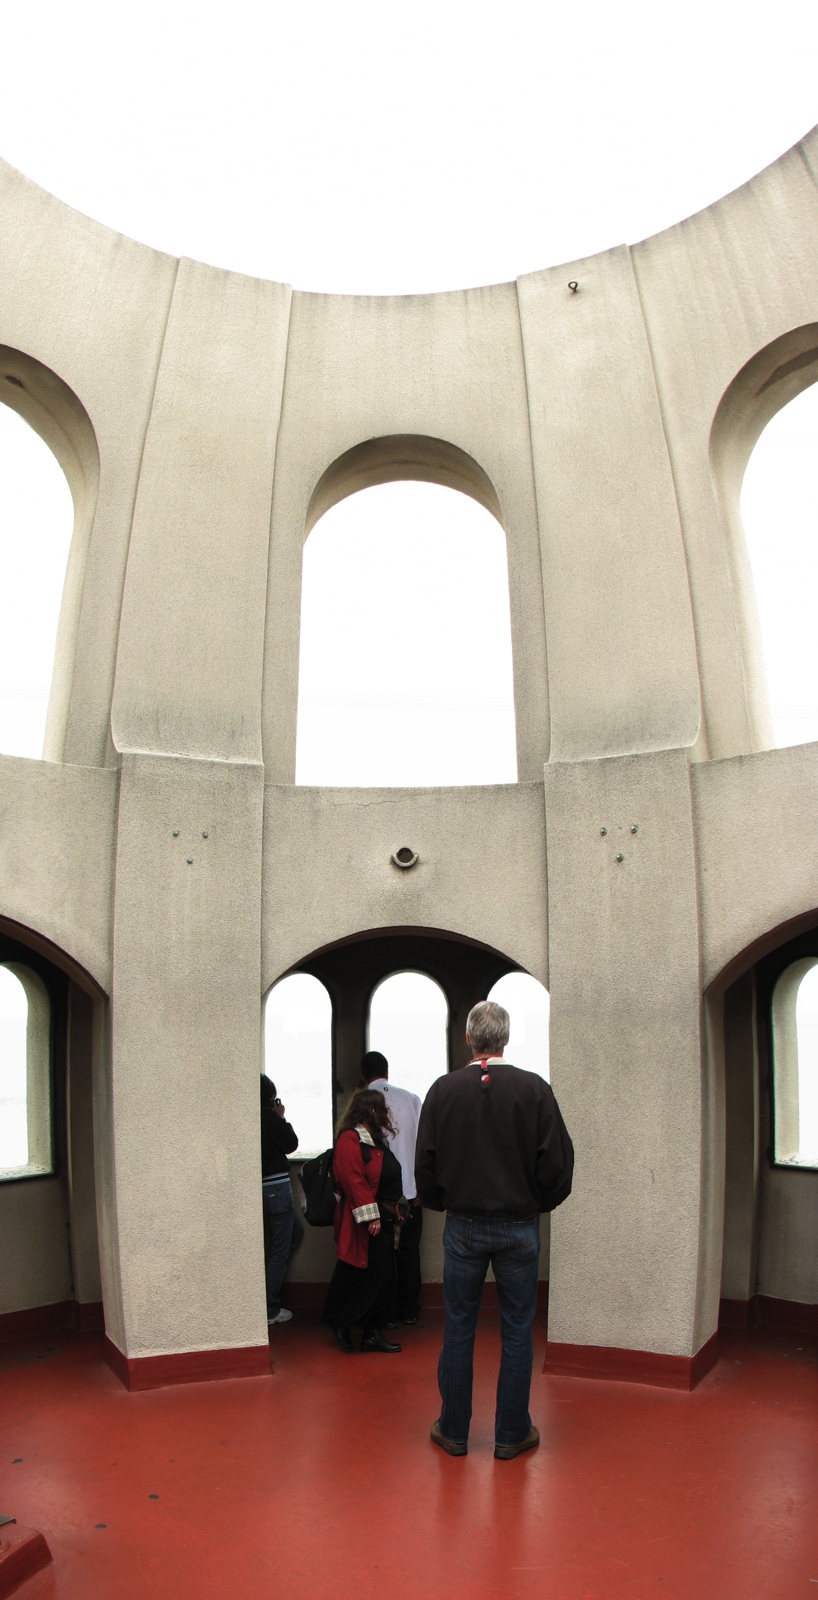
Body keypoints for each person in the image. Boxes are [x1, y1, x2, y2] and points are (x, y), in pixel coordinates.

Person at [415, 1000, 574, 1459]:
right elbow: (558, 1162)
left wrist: (444, 1202)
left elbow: (424, 1163)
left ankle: (454, 1430)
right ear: (504, 1039)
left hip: (463, 1226)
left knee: (459, 1327)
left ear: (469, 1038)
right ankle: (510, 1434)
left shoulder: (443, 1091)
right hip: (520, 1227)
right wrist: (537, 1205)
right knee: (517, 1330)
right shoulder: (534, 1090)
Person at [323, 1088, 406, 1353]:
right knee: (372, 1275)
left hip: (382, 1217)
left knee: (376, 1276)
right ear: (371, 1110)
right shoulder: (351, 1139)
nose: (385, 1113)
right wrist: (372, 1216)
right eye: (381, 1108)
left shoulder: (373, 1139)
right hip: (366, 1220)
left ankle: (368, 1331)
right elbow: (352, 1179)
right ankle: (345, 1323)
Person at [361, 1050, 423, 1324]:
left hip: (380, 1198)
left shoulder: (364, 1103)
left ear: (363, 1075)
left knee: (381, 1257)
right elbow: (424, 1145)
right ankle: (409, 1310)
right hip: (410, 1193)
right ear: (387, 1071)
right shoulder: (411, 1098)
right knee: (409, 1253)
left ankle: (386, 1315)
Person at [260, 1075, 304, 1325]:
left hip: (260, 1187)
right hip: (277, 1186)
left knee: (294, 1234)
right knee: (279, 1249)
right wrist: (280, 1116)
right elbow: (291, 1144)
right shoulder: (269, 1117)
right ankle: (269, 1309)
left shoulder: (247, 1117)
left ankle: (268, 1295)